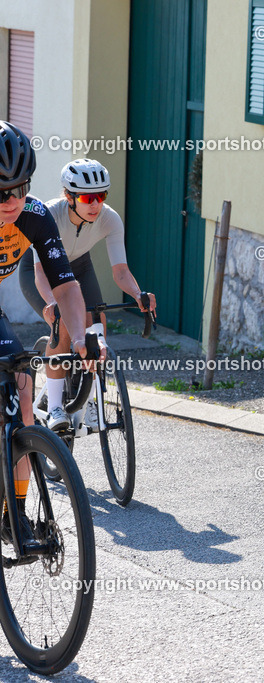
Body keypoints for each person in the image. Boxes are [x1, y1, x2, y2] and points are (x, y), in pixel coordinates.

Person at [0, 121, 105, 542]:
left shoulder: (35, 216)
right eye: (3, 191)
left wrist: (79, 339)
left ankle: (16, 514)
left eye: (22, 187)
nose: (14, 200)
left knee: (23, 385)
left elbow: (65, 283)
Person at [19, 158, 156, 429]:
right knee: (65, 324)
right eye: (87, 197)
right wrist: (51, 303)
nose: (95, 204)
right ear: (69, 197)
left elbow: (120, 272)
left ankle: (92, 401)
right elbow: (40, 274)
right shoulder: (48, 216)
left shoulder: (109, 218)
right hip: (42, 271)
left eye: (101, 196)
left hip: (80, 267)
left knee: (98, 326)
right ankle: (56, 407)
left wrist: (139, 295)